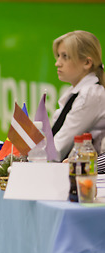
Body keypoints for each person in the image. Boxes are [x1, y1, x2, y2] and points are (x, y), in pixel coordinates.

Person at [52, 30, 105, 161]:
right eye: (58, 56)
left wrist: (29, 163)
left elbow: (58, 147)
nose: (57, 63)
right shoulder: (75, 92)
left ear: (87, 63)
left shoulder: (91, 94)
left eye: (65, 56)